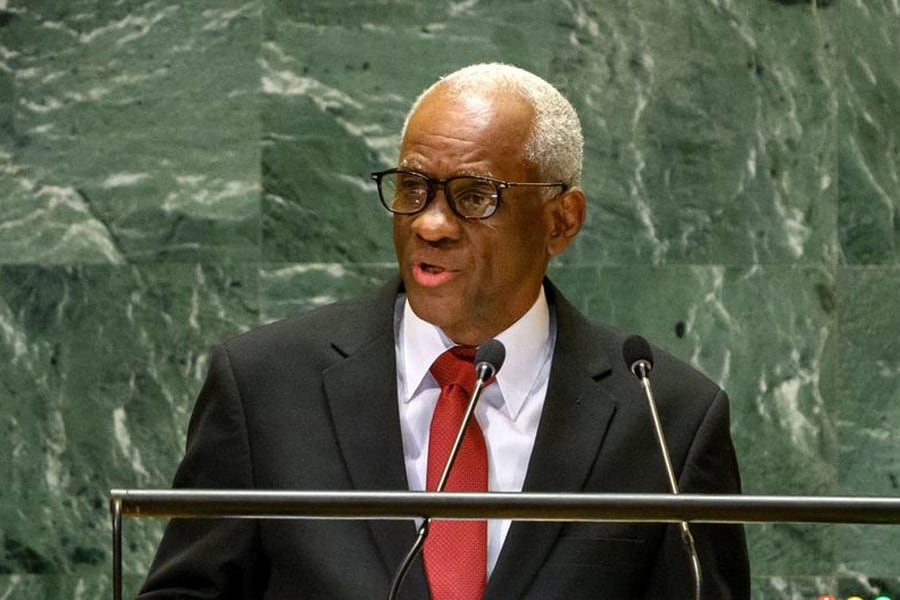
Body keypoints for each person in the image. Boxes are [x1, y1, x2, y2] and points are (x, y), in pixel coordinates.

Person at [138, 63, 750, 599]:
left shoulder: (668, 420)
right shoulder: (266, 386)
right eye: (413, 188)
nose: (431, 225)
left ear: (561, 221)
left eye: (475, 196)